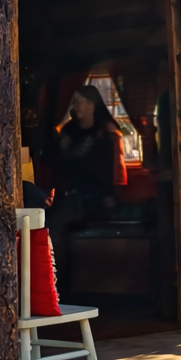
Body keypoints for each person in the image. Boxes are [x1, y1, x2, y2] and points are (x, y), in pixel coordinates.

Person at [47, 85, 126, 264]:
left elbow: (104, 171)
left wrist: (105, 194)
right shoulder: (68, 132)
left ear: (91, 105)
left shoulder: (104, 134)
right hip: (72, 193)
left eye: (79, 103)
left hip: (95, 195)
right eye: (74, 103)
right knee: (50, 226)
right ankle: (60, 276)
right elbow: (62, 167)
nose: (75, 107)